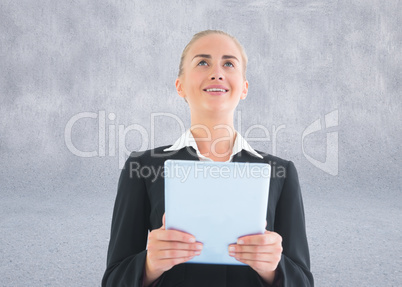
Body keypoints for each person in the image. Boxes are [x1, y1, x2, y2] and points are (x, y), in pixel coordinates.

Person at [102, 30, 314, 287]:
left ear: (244, 87)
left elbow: (303, 281)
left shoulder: (280, 172)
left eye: (229, 63)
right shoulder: (142, 168)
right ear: (180, 86)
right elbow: (113, 279)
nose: (217, 72)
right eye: (203, 62)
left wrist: (273, 268)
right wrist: (149, 266)